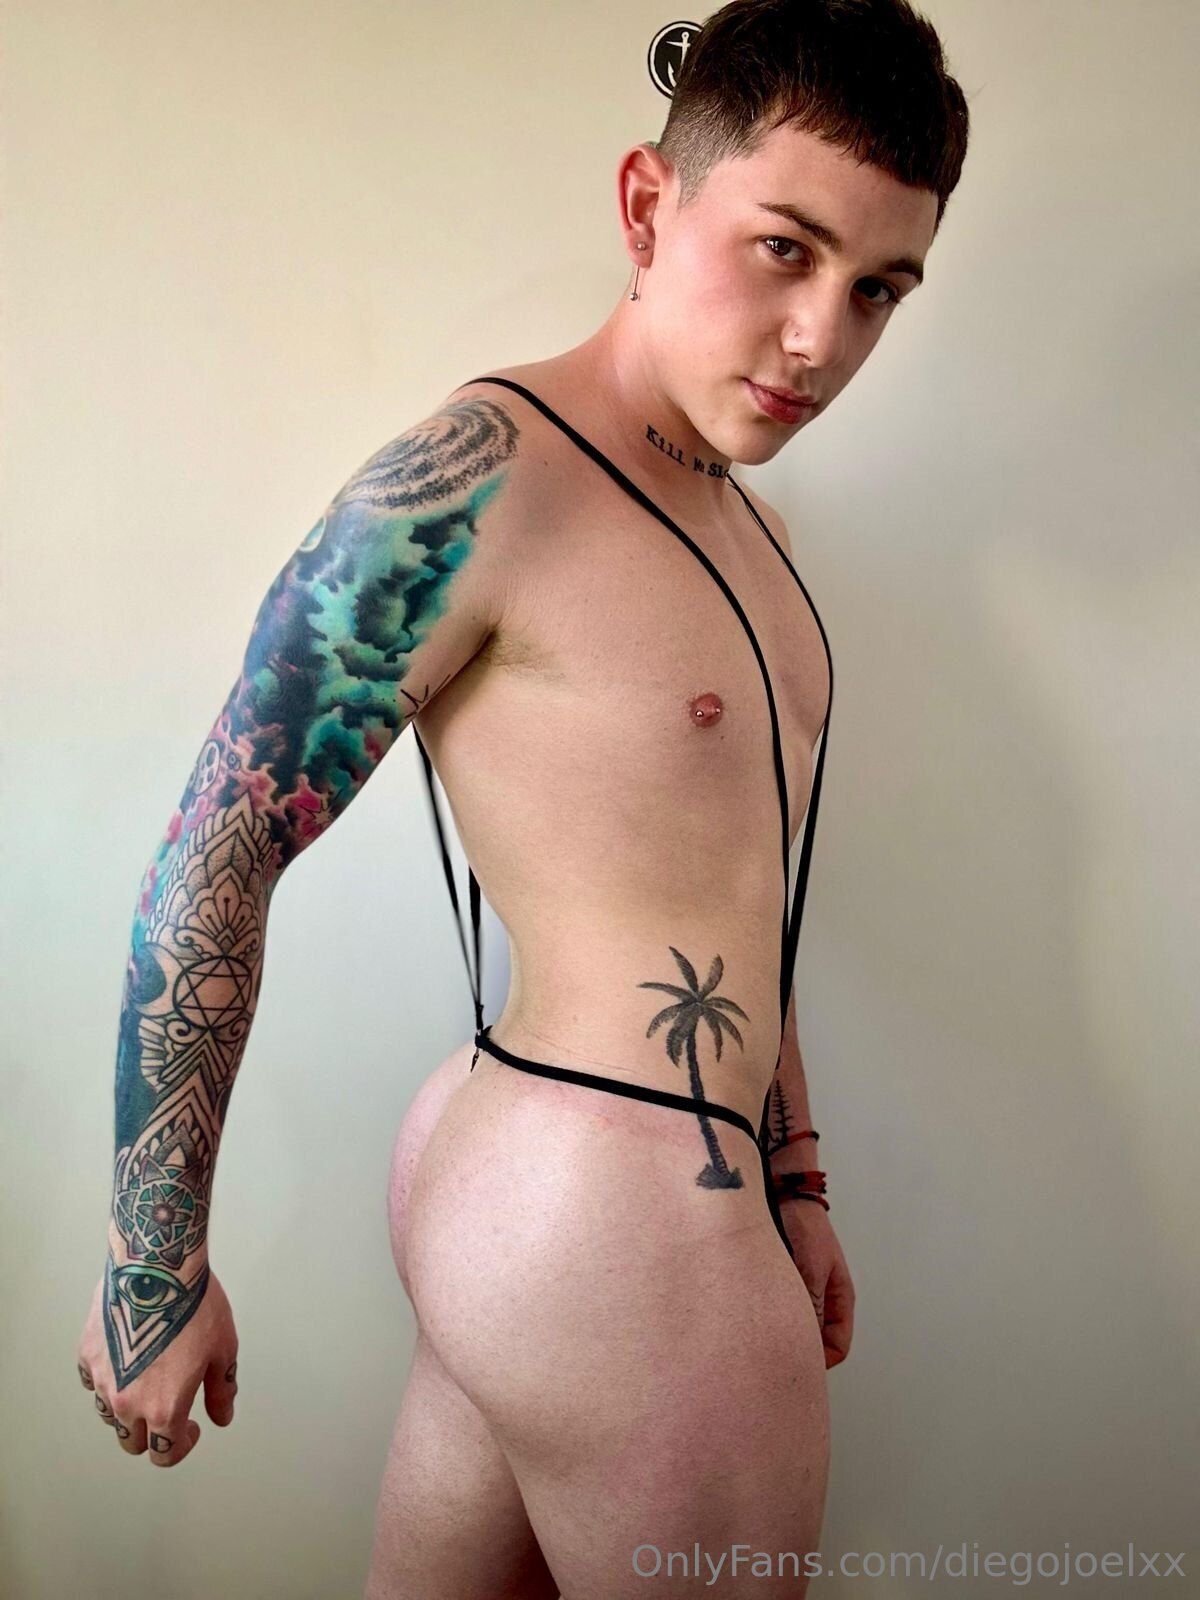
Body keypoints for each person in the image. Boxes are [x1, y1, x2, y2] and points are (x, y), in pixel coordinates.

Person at [75, 0, 968, 1593]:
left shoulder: (754, 531)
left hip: (574, 1191)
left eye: (877, 290)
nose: (821, 339)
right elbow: (215, 850)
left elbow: (736, 887)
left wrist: (799, 1173)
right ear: (648, 203)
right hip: (618, 1226)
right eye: (785, 250)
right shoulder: (483, 480)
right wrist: (153, 1269)